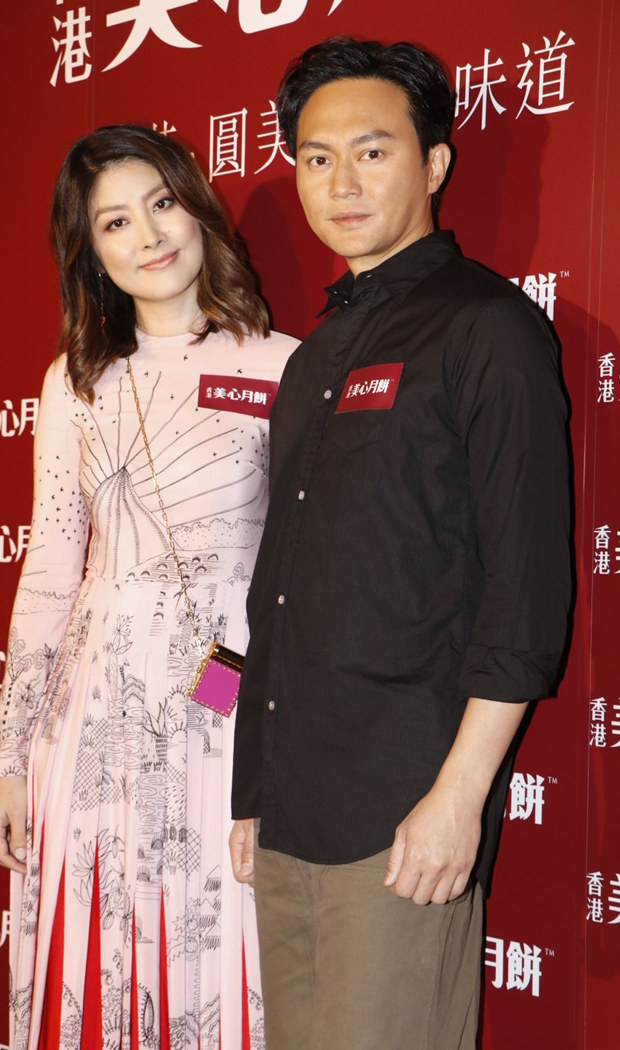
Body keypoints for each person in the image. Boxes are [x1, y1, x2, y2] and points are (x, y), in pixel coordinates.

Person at [229, 38, 571, 1050]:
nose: (341, 182)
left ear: (434, 163)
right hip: (287, 811)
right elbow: (276, 591)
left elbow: (524, 586)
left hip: (401, 817)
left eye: (372, 151)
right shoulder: (310, 360)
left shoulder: (486, 329)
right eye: (316, 157)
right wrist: (252, 788)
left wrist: (458, 797)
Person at [0, 124, 297, 1050]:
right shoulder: (74, 384)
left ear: (199, 209)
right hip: (92, 716)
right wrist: (8, 760)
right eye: (115, 221)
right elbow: (50, 569)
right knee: (95, 959)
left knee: (219, 955)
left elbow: (299, 575)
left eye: (162, 204)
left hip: (227, 703)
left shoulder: (285, 365)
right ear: (90, 250)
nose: (148, 235)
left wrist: (252, 713)